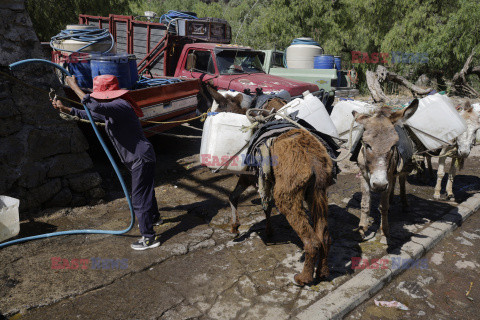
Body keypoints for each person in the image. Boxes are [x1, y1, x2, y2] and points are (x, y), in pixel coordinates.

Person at [51, 74, 162, 250]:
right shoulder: (113, 108)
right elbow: (91, 113)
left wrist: (74, 87)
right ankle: (154, 217)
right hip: (139, 156)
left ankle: (149, 238)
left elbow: (93, 105)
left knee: (139, 198)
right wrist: (66, 109)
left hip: (140, 157)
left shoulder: (120, 105)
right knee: (145, 190)